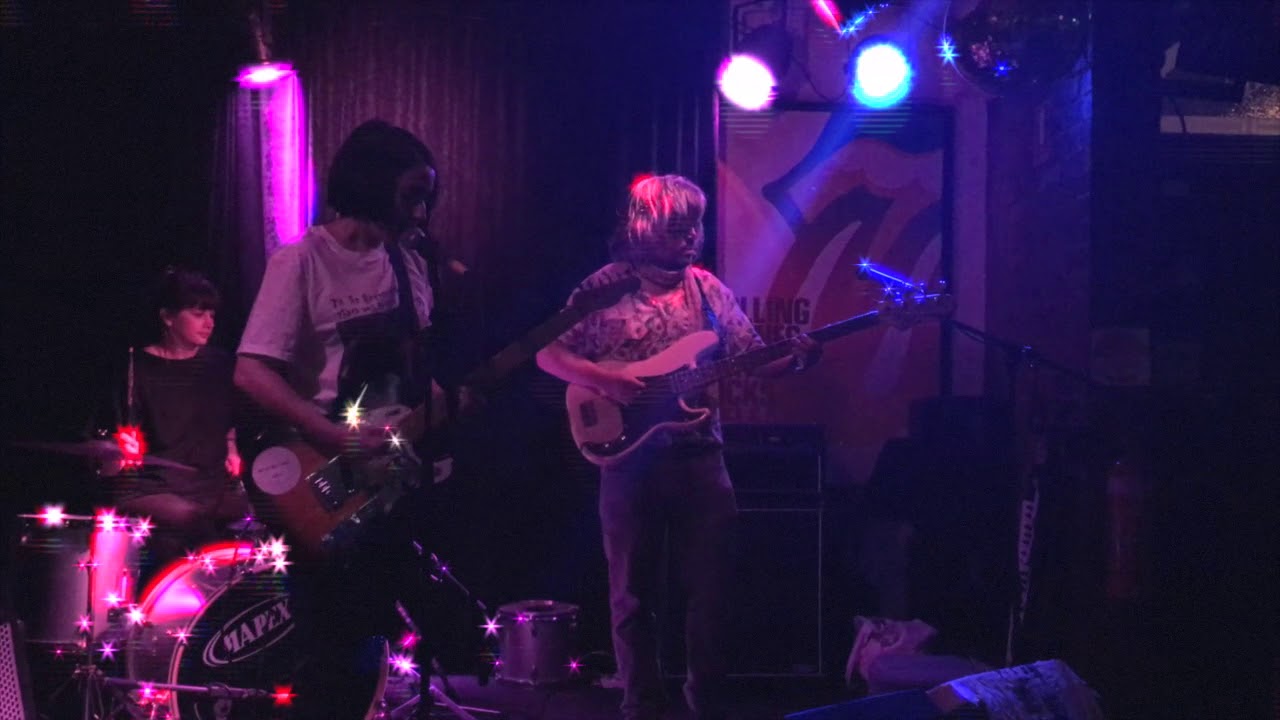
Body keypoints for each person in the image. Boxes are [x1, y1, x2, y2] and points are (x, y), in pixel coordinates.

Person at [536, 174, 822, 720]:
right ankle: (640, 704)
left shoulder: (709, 290)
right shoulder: (603, 287)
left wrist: (801, 357)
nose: (691, 236)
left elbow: (757, 358)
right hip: (628, 461)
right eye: (677, 227)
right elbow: (548, 353)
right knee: (631, 595)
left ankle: (706, 702)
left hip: (701, 457)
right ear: (643, 228)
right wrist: (605, 379)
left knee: (713, 591)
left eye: (695, 225)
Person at [234, 119, 447, 718]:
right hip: (319, 478)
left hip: (388, 481)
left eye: (427, 196)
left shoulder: (409, 266)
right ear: (372, 183)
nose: (421, 211)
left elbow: (419, 374)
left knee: (371, 639)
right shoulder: (301, 261)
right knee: (328, 647)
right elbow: (251, 371)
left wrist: (446, 404)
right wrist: (328, 432)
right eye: (412, 194)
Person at [110, 267, 250, 574]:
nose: (209, 322)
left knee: (263, 514)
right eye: (198, 314)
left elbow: (228, 419)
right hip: (154, 486)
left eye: (212, 314)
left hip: (209, 483)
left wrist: (231, 447)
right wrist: (117, 451)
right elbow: (108, 449)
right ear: (168, 317)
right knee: (191, 519)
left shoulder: (220, 364)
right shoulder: (136, 367)